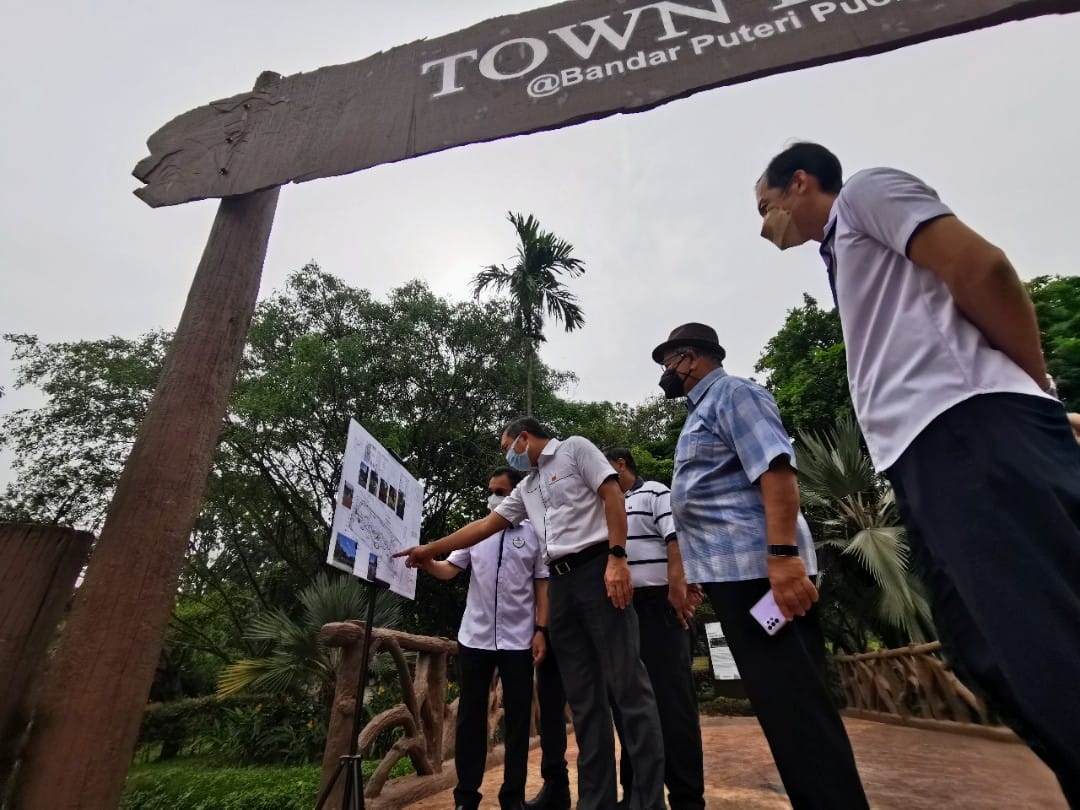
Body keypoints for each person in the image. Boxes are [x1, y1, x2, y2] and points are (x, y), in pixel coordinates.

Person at [755, 142, 1080, 805]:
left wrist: (1034, 390)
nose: (765, 224)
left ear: (799, 182)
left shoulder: (867, 194)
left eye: (766, 207)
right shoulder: (843, 255)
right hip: (923, 455)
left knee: (1042, 638)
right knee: (984, 649)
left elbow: (981, 267)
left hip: (968, 425)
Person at [397, 416, 665, 810]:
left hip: (597, 569)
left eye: (508, 447)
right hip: (561, 583)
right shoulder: (528, 487)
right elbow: (487, 524)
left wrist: (617, 558)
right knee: (585, 702)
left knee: (628, 688)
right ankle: (597, 801)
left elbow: (611, 495)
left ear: (523, 438)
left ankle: (647, 801)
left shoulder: (575, 448)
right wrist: (430, 548)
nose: (509, 455)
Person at [652, 322, 869, 810]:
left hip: (762, 575)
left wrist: (784, 559)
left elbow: (776, 471)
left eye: (669, 361)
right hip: (737, 579)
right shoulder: (699, 413)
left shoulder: (733, 394)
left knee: (794, 702)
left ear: (690, 358)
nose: (665, 372)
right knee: (781, 700)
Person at [414, 467, 547, 810]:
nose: (494, 498)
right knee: (470, 718)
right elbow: (449, 569)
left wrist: (541, 630)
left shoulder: (535, 534)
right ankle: (465, 797)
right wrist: (428, 562)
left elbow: (542, 587)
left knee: (518, 720)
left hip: (518, 641)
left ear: (517, 495)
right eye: (491, 491)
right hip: (475, 638)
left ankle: (512, 797)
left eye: (501, 492)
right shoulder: (475, 533)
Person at [602, 446, 705, 810]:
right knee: (628, 706)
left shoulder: (655, 492)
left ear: (620, 464)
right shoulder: (603, 506)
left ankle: (687, 797)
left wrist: (677, 587)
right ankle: (636, 795)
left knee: (673, 703)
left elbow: (675, 536)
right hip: (621, 610)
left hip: (660, 607)